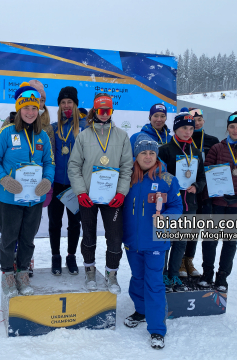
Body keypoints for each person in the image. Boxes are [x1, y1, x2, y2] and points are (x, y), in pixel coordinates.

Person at [0, 82, 55, 297]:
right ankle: (8, 274)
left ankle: (23, 273)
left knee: (27, 238)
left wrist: (47, 181)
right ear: (18, 108)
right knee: (9, 238)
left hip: (34, 198)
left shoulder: (43, 136)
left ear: (39, 110)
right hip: (9, 198)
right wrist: (4, 179)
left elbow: (50, 163)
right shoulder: (6, 132)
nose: (30, 112)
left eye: (35, 108)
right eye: (26, 107)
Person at [68, 93, 133, 294]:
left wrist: (121, 193)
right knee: (88, 234)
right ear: (95, 111)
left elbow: (126, 167)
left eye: (108, 111)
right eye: (101, 110)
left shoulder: (122, 136)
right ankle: (89, 270)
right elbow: (74, 166)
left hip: (112, 198)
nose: (105, 114)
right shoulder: (84, 136)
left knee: (114, 236)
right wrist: (80, 192)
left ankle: (111, 274)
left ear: (112, 111)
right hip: (88, 196)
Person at [123, 134, 183, 349]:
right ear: (136, 155)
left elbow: (177, 206)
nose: (148, 157)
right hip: (132, 241)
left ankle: (157, 328)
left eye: (151, 153)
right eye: (143, 153)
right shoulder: (127, 177)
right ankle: (141, 311)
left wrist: (166, 218)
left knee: (154, 283)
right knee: (137, 279)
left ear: (156, 155)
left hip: (157, 242)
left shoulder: (167, 179)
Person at [199, 111, 237, 292]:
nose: (235, 130)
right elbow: (206, 174)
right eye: (232, 126)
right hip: (217, 203)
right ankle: (207, 274)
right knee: (210, 240)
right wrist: (207, 200)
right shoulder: (217, 149)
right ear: (227, 128)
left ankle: (222, 277)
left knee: (229, 241)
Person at [158, 113, 206, 292]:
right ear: (176, 128)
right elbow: (158, 176)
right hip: (169, 206)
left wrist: (196, 186)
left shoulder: (196, 152)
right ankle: (162, 274)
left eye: (191, 128)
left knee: (181, 242)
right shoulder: (165, 150)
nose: (187, 132)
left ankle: (174, 274)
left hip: (189, 205)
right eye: (184, 128)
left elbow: (202, 177)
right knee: (165, 242)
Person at [48, 86, 87, 275]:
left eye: (69, 102)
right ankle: (56, 256)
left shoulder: (85, 128)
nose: (66, 106)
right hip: (56, 184)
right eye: (62, 103)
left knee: (74, 224)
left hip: (76, 185)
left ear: (76, 104)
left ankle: (71, 256)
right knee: (54, 223)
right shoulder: (54, 128)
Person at [179, 108, 219, 277]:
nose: (197, 122)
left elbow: (218, 167)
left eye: (200, 119)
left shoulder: (212, 140)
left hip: (205, 191)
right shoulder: (182, 139)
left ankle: (189, 259)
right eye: (193, 120)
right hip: (187, 190)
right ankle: (179, 260)